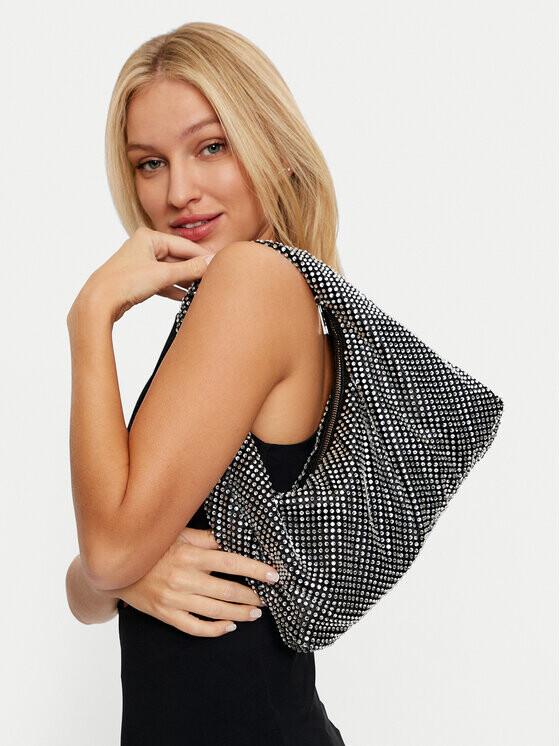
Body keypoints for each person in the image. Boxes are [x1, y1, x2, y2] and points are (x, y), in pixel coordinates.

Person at [65, 21, 346, 745]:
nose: (179, 191)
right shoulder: (229, 303)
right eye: (150, 163)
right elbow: (89, 588)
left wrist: (90, 317)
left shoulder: (254, 280)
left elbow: (105, 555)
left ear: (270, 144)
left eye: (211, 146)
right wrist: (128, 575)